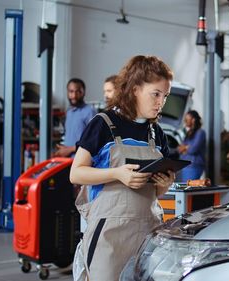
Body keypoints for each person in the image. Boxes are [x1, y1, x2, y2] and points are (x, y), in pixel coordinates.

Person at [70, 55, 175, 281]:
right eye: (155, 94)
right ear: (135, 89)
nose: (161, 102)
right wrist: (117, 174)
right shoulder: (103, 124)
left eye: (165, 96)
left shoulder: (157, 135)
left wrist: (164, 185)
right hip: (109, 235)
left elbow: (155, 193)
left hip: (149, 231)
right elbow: (76, 173)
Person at [54, 78, 96, 157]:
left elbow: (93, 140)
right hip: (67, 160)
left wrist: (69, 150)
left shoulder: (90, 111)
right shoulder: (69, 111)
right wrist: (64, 148)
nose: (74, 95)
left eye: (78, 92)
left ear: (83, 92)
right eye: (71, 91)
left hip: (81, 161)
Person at [177, 110, 206, 181]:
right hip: (185, 165)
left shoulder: (200, 133)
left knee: (189, 188)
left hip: (194, 166)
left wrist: (186, 148)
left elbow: (193, 149)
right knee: (185, 188)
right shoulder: (189, 133)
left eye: (187, 119)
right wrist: (186, 147)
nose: (185, 121)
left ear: (193, 120)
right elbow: (180, 149)